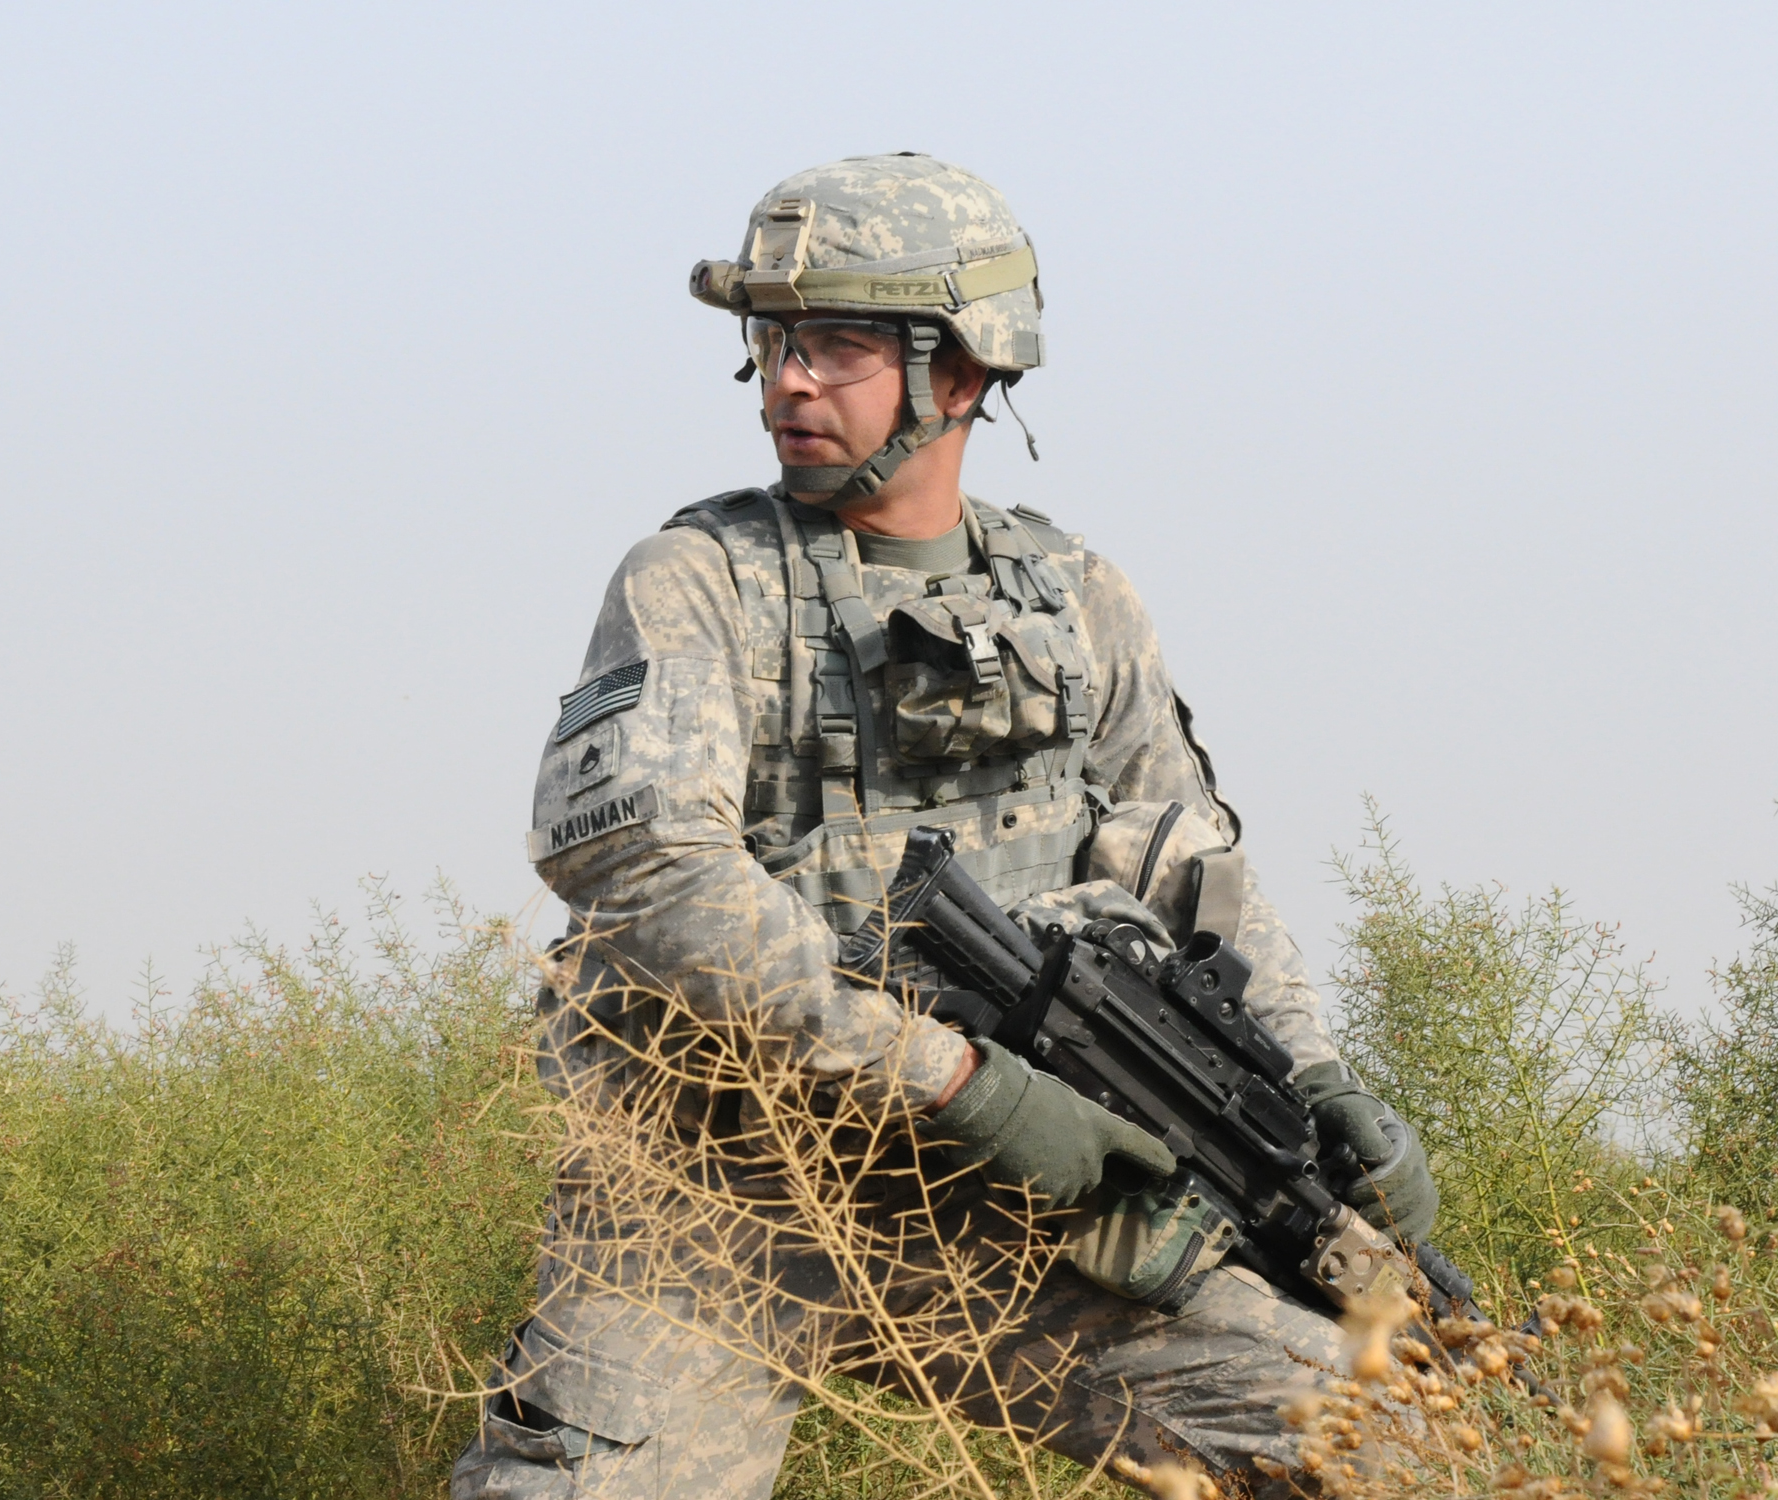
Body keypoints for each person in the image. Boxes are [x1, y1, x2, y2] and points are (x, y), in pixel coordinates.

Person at [453, 154, 1440, 1500]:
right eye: (774, 341)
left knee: (1409, 1448)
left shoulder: (1081, 603)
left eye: (839, 345)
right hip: (710, 1202)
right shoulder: (697, 584)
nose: (790, 380)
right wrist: (955, 1079)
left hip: (1017, 1220)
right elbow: (650, 872)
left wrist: (1314, 1080)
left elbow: (1188, 867)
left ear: (962, 374)